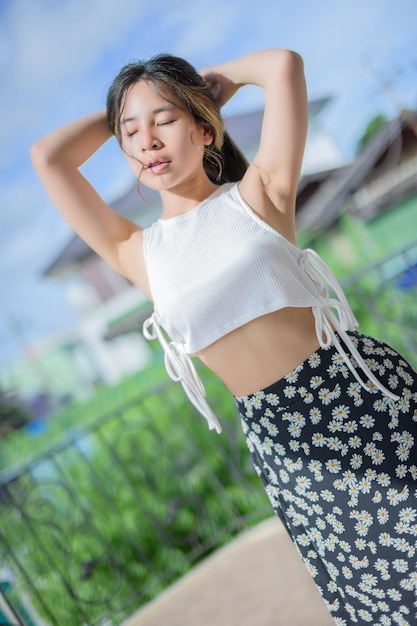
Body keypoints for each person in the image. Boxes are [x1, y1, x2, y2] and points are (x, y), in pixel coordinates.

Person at [31, 49, 417, 625]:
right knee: (380, 598)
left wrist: (209, 86)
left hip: (357, 398)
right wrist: (138, 104)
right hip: (284, 445)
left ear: (205, 129)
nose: (146, 141)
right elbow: (49, 158)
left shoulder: (259, 193)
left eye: (163, 121)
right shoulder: (138, 254)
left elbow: (282, 66)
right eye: (128, 132)